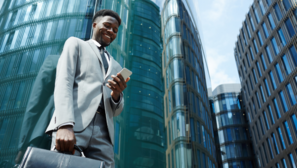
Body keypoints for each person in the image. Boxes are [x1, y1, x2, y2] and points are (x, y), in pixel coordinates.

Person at [45, 9, 129, 168]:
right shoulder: (75, 43)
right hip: (74, 122)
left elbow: (116, 111)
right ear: (95, 25)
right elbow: (64, 82)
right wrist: (64, 124)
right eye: (108, 26)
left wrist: (117, 95)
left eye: (115, 30)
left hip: (104, 134)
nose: (111, 31)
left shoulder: (116, 66)